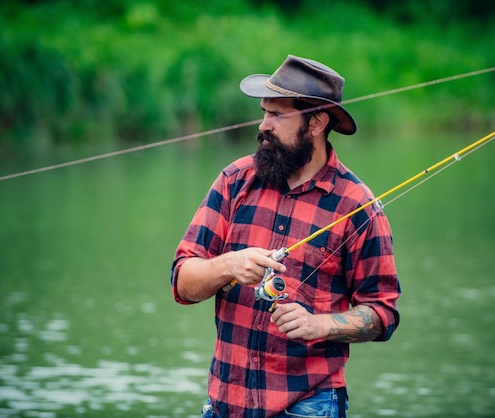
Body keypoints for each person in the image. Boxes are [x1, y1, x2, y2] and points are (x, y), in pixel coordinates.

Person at [171, 55, 401, 417]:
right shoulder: (234, 182)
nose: (264, 125)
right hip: (224, 405)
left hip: (309, 406)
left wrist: (318, 324)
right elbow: (182, 282)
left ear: (316, 122)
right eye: (264, 112)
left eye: (277, 115)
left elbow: (383, 313)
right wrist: (228, 265)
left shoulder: (358, 206)